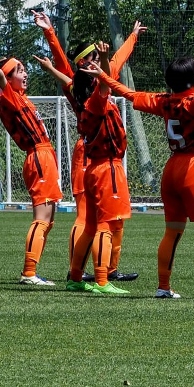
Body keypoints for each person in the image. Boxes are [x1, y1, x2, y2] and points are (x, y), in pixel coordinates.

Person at [108, 56, 194, 300]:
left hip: (172, 168)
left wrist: (103, 77)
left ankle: (163, 287)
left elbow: (128, 93)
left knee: (172, 231)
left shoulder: (164, 101)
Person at [0, 46, 64, 286]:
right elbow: (0, 77)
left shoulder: (21, 98)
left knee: (49, 219)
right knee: (41, 218)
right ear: (9, 78)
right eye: (19, 71)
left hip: (45, 157)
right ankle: (29, 273)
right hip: (38, 157)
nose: (25, 74)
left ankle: (33, 271)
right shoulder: (8, 95)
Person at [70, 51, 140, 296]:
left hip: (94, 168)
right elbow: (105, 79)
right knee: (105, 226)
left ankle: (76, 277)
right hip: (107, 168)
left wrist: (128, 40)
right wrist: (105, 59)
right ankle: (102, 280)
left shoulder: (83, 102)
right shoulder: (96, 103)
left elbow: (110, 71)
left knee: (90, 227)